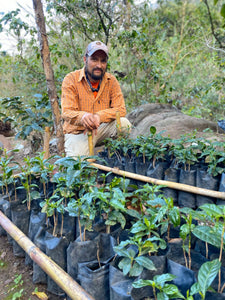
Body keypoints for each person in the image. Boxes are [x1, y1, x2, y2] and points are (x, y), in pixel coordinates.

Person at [61, 40, 131, 157]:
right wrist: (83, 117)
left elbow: (121, 109)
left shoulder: (111, 81)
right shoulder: (71, 79)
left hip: (102, 129)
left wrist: (99, 116)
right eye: (94, 59)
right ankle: (83, 155)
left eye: (103, 61)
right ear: (85, 59)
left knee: (124, 125)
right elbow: (67, 112)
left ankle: (113, 156)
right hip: (79, 132)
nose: (99, 65)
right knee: (77, 165)